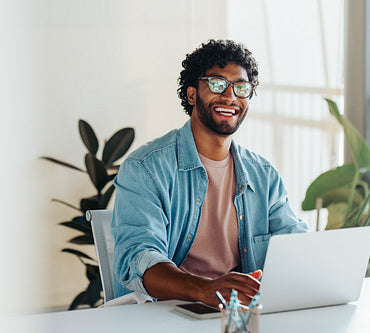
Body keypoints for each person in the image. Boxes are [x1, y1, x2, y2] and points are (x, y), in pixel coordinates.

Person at [111, 39, 308, 307]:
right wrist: (205, 289)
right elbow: (139, 258)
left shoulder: (264, 176)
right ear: (192, 94)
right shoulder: (145, 168)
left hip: (237, 312)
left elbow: (295, 246)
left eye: (241, 88)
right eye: (217, 84)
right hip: (167, 311)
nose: (230, 97)